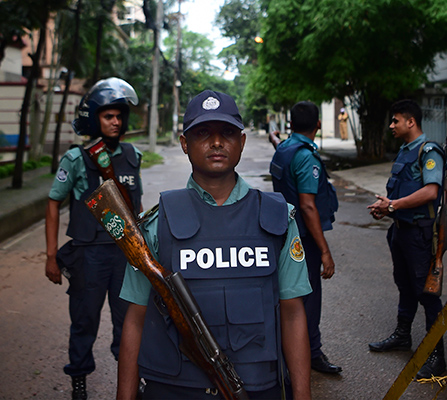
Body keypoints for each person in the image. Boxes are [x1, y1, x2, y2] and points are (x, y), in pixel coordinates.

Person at [117, 90, 313, 400]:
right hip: (174, 389)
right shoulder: (155, 225)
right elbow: (135, 317)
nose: (217, 142)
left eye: (228, 133)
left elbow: (293, 313)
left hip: (256, 387)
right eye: (203, 133)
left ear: (242, 142)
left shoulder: (278, 218)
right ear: (185, 144)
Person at [44, 78, 142, 400]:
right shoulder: (76, 159)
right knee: (84, 322)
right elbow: (53, 203)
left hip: (124, 253)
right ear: (95, 119)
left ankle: (131, 382)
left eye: (118, 116)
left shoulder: (132, 155)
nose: (114, 122)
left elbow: (135, 204)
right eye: (107, 116)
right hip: (88, 256)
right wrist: (49, 256)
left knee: (127, 322)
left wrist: (143, 247)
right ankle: (79, 381)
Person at [366, 99, 446, 379]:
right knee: (405, 285)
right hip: (400, 230)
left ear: (410, 122)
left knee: (426, 292)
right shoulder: (405, 151)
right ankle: (403, 336)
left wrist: (393, 205)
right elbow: (402, 196)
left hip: (419, 235)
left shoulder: (429, 150)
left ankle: (437, 355)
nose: (391, 126)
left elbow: (430, 192)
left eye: (395, 120)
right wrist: (386, 208)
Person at [270, 101, 342, 375]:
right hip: (302, 237)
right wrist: (324, 251)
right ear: (318, 125)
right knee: (307, 298)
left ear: (290, 124)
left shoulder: (284, 149)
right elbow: (308, 205)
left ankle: (286, 352)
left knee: (287, 296)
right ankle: (310, 353)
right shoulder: (305, 156)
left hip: (282, 231)